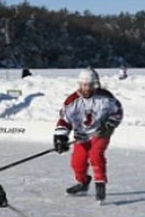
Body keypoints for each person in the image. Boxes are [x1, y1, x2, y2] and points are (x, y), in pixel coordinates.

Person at [53, 69, 124, 203]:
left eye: (90, 85)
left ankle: (100, 182)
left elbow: (118, 111)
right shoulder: (72, 100)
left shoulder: (105, 98)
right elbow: (64, 120)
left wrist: (109, 124)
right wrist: (60, 136)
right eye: (84, 85)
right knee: (77, 163)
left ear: (95, 84)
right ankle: (83, 182)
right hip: (82, 136)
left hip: (101, 133)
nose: (87, 88)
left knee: (95, 154)